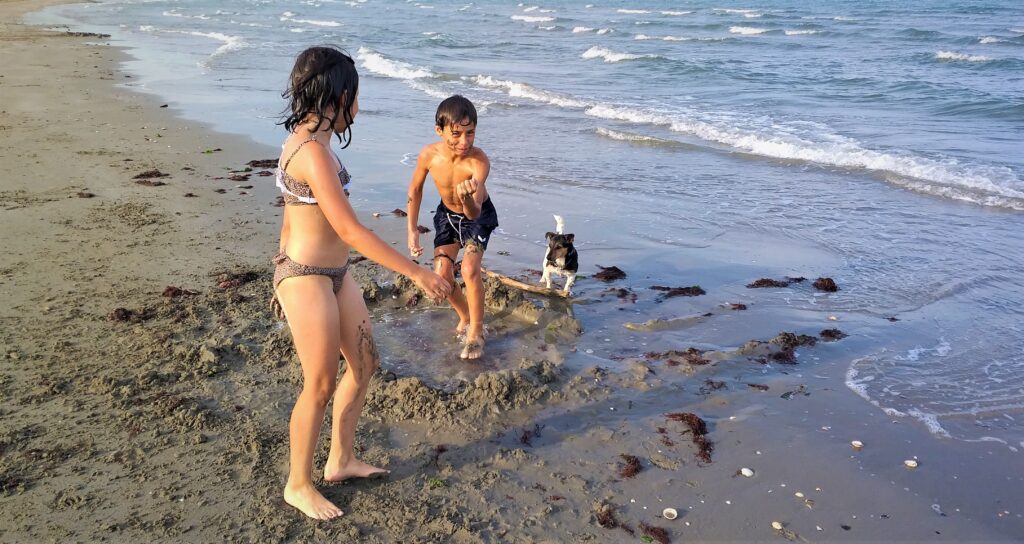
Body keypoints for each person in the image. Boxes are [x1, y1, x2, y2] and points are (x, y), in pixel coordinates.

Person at [272, 46, 451, 521]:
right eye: (356, 97)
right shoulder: (311, 152)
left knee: (366, 362)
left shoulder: (316, 140)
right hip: (307, 276)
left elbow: (292, 217)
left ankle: (340, 460)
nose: (359, 107)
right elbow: (351, 230)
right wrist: (416, 271)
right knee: (321, 381)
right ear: (337, 95)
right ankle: (298, 483)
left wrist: (281, 254)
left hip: (334, 274)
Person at [406, 95, 498, 360]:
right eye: (456, 134)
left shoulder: (478, 163)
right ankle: (465, 315)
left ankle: (477, 332)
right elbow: (415, 189)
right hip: (447, 216)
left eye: (470, 133)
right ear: (440, 130)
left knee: (469, 270)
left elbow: (474, 212)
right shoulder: (429, 155)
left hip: (478, 216)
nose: (464, 142)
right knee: (443, 278)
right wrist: (412, 228)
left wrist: (468, 197)